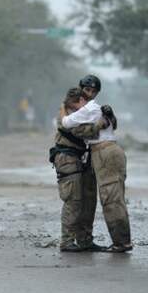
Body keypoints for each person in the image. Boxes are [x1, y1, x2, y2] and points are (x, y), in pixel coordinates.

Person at [61, 81, 133, 253]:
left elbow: (65, 123)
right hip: (107, 152)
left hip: (104, 152)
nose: (90, 94)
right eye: (87, 90)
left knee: (111, 199)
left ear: (78, 101)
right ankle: (118, 241)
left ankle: (121, 243)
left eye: (93, 91)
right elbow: (111, 125)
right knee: (110, 197)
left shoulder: (87, 108)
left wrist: (66, 110)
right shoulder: (98, 109)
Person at [51, 88, 108, 252]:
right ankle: (67, 241)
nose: (86, 106)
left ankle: (84, 240)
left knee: (88, 202)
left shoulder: (76, 114)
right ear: (77, 101)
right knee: (73, 201)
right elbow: (82, 132)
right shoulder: (65, 115)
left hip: (80, 159)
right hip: (67, 159)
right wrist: (99, 125)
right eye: (84, 102)